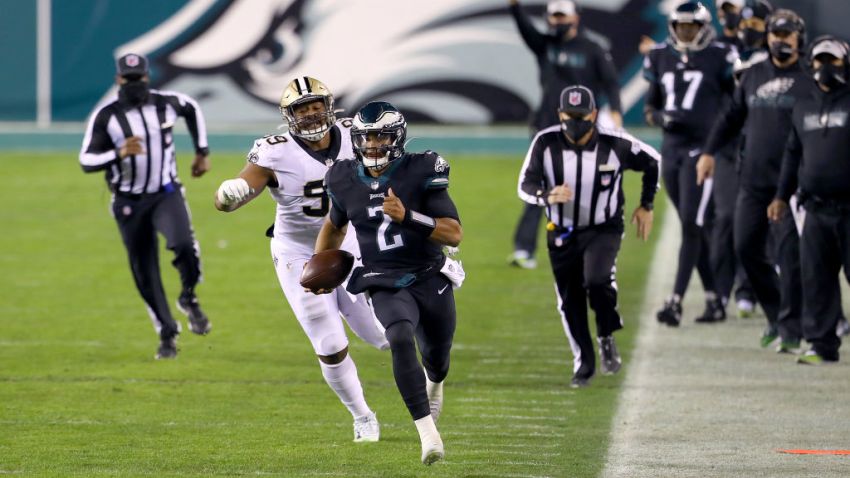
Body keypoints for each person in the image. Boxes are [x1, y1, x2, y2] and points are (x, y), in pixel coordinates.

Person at [214, 76, 388, 442]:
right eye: (301, 110)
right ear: (288, 116)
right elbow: (245, 186)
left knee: (379, 333)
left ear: (329, 107)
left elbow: (387, 174)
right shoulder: (275, 150)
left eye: (314, 107)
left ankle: (425, 379)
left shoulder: (354, 135)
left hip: (347, 240)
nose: (310, 116)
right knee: (328, 342)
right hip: (298, 251)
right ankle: (362, 415)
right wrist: (231, 194)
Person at [313, 101, 464, 465]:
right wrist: (317, 268)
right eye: (366, 138)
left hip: (428, 273)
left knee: (438, 358)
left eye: (381, 137)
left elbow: (453, 234)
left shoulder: (421, 168)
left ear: (397, 137)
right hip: (382, 278)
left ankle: (435, 382)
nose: (373, 146)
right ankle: (428, 434)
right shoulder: (342, 177)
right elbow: (335, 225)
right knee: (398, 336)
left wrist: (407, 216)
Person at [518, 85, 659, 387]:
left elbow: (652, 161)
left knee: (597, 281)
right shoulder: (545, 143)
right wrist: (547, 195)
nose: (576, 121)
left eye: (582, 115)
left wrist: (646, 205)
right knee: (570, 301)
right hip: (562, 231)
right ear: (560, 114)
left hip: (603, 228)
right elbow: (525, 185)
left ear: (594, 114)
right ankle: (585, 362)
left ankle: (606, 334)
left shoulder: (615, 143)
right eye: (570, 115)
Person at [79, 53, 211, 360]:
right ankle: (167, 332)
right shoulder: (106, 116)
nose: (135, 83)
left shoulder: (166, 103)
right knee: (144, 268)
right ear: (119, 79)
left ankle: (188, 296)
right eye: (129, 78)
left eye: (139, 78)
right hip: (128, 201)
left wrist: (201, 151)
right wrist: (118, 152)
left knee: (184, 246)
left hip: (165, 192)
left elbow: (192, 108)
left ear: (147, 77)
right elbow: (86, 160)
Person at [699, 9, 809, 351]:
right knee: (745, 248)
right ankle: (778, 315)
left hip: (794, 184)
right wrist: (708, 152)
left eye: (787, 34)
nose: (781, 40)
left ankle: (793, 329)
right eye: (776, 34)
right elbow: (731, 116)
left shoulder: (810, 76)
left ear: (798, 39)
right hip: (754, 180)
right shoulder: (754, 74)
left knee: (790, 257)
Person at [507, 0, 623, 269]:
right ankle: (524, 248)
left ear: (575, 18)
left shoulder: (593, 49)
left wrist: (616, 110)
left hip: (581, 131)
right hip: (546, 127)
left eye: (562, 16)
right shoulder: (546, 45)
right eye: (554, 17)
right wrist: (515, 7)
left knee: (582, 186)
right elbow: (526, 30)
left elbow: (611, 82)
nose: (558, 22)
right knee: (539, 186)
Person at [644, 2, 736, 326]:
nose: (685, 32)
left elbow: (734, 103)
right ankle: (714, 298)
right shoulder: (659, 56)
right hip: (671, 150)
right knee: (691, 224)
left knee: (691, 224)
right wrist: (660, 117)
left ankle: (676, 301)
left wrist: (720, 138)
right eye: (680, 26)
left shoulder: (720, 56)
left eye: (691, 27)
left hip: (703, 149)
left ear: (703, 27)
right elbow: (650, 106)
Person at [768, 36, 850, 364]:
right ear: (811, 64)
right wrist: (780, 196)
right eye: (820, 60)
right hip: (815, 207)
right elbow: (792, 154)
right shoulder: (803, 105)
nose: (826, 68)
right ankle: (821, 344)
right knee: (817, 278)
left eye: (834, 61)